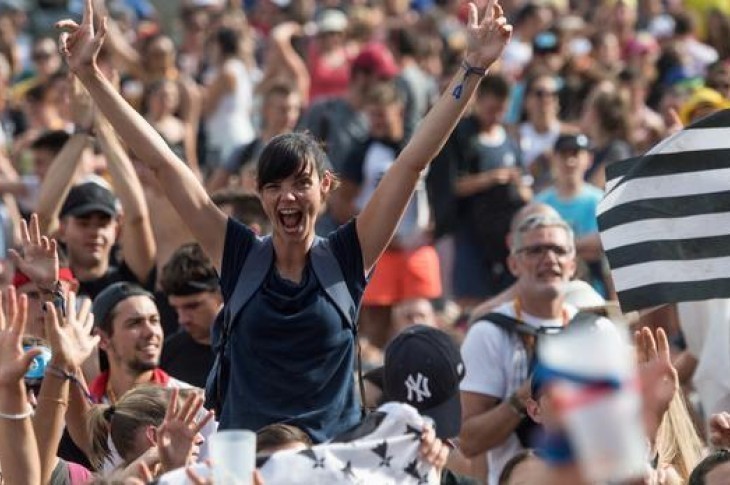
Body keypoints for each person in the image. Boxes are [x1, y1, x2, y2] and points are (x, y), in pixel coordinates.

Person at [57, 0, 512, 442]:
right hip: (248, 466)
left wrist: (471, 70)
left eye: (300, 183)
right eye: (274, 186)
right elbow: (163, 164)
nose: (287, 196)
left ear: (327, 187)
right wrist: (92, 78)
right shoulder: (236, 254)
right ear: (259, 193)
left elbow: (412, 161)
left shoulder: (348, 255)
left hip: (329, 467)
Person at [458, 214, 581, 484]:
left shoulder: (593, 330)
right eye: (536, 250)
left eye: (559, 250)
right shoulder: (489, 332)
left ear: (573, 264)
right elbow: (467, 441)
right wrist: (526, 394)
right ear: (514, 264)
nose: (549, 259)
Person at [535, 133, 605, 294]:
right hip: (550, 289)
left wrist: (556, 248)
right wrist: (582, 246)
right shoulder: (540, 203)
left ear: (589, 159)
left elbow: (600, 244)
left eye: (575, 154)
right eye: (563, 155)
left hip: (594, 287)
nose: (570, 161)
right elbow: (536, 247)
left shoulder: (600, 200)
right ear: (554, 159)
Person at [159, 243, 222, 388]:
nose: (182, 319)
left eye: (192, 306)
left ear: (222, 294)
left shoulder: (253, 347)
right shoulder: (167, 355)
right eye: (176, 308)